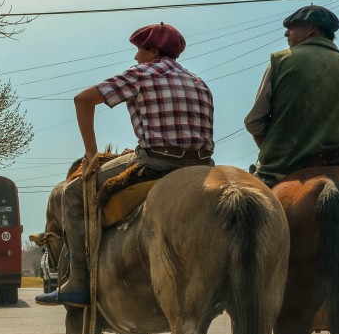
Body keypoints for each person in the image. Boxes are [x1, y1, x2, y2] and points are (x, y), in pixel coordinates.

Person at [35, 22, 215, 307]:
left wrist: (91, 153)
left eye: (140, 51)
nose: (135, 58)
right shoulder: (198, 82)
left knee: (72, 193)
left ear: (154, 51)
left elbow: (83, 100)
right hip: (203, 167)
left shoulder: (141, 74)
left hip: (158, 160)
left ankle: (79, 283)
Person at [244, 5, 339, 187]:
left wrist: (278, 151)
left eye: (292, 27)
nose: (286, 33)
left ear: (312, 28)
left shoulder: (280, 61)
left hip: (280, 171)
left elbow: (254, 122)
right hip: (336, 168)